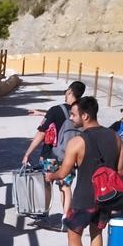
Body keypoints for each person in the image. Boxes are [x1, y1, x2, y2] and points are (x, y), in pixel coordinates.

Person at [46, 96, 123, 246]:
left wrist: (51, 176)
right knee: (96, 233)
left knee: (74, 235)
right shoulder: (116, 138)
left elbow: (64, 173)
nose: (71, 118)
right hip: (106, 197)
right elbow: (120, 172)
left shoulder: (77, 141)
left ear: (85, 116)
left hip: (83, 197)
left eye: (73, 114)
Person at [22, 80, 87, 223]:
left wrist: (28, 153)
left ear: (70, 91)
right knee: (66, 186)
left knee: (47, 183)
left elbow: (42, 133)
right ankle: (66, 216)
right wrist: (41, 113)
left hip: (50, 155)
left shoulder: (56, 110)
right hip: (71, 156)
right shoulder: (81, 113)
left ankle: (44, 213)